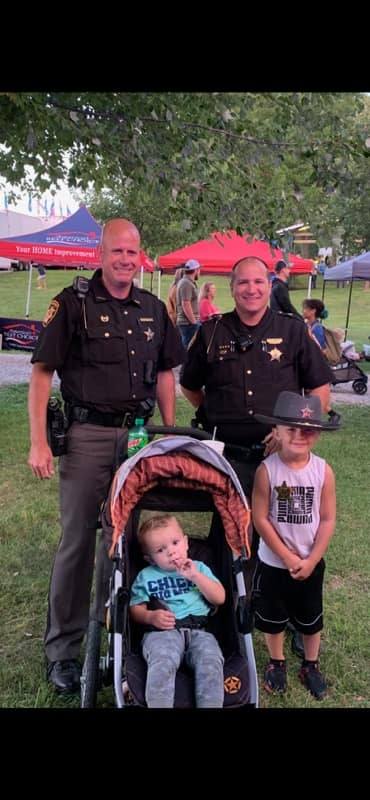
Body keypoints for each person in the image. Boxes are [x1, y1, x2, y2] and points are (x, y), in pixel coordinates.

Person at [27, 218, 185, 695]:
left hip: (137, 438)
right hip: (88, 436)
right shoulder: (72, 303)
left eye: (132, 253)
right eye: (116, 251)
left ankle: (121, 634)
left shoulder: (154, 308)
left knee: (123, 542)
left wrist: (165, 432)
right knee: (78, 543)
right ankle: (63, 651)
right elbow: (41, 373)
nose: (124, 260)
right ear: (100, 254)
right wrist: (38, 441)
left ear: (141, 257)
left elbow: (164, 374)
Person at [180, 256, 334, 659]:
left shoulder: (292, 330)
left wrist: (292, 434)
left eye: (259, 282)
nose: (252, 289)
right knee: (232, 541)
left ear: (269, 286)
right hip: (229, 459)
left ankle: (299, 619)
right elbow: (191, 386)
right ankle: (230, 618)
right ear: (232, 288)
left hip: (281, 461)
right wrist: (217, 412)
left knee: (291, 537)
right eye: (243, 282)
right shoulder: (212, 331)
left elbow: (319, 388)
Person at [252, 391, 338, 700]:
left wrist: (313, 559)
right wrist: (287, 557)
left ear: (317, 434)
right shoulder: (268, 471)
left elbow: (327, 519)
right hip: (275, 564)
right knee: (272, 618)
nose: (299, 436)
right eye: (290, 428)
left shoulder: (323, 471)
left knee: (311, 617)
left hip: (311, 563)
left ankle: (310, 665)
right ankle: (277, 662)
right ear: (275, 431)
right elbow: (261, 519)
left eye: (307, 430)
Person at [129, 514, 225, 708]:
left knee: (211, 661)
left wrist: (196, 577)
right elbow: (134, 608)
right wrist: (150, 616)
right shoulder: (146, 576)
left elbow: (219, 598)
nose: (171, 552)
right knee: (162, 661)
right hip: (162, 633)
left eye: (175, 543)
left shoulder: (199, 568)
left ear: (186, 542)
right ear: (150, 559)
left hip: (200, 631)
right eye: (161, 550)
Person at [175, 259, 201, 347]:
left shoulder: (187, 282)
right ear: (196, 270)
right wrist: (194, 322)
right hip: (188, 323)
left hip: (188, 322)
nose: (199, 272)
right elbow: (186, 304)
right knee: (188, 348)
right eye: (199, 270)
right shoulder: (186, 283)